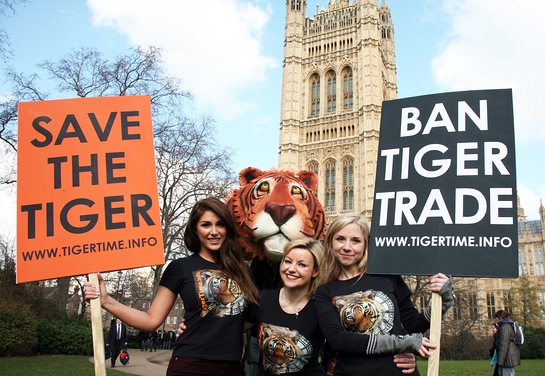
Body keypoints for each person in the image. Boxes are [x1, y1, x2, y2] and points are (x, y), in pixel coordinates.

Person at [84, 197, 260, 376]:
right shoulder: (180, 267)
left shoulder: (242, 271)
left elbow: (246, 319)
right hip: (190, 366)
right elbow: (151, 320)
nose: (214, 232)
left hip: (232, 369)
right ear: (195, 230)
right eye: (206, 225)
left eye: (220, 224)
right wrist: (106, 301)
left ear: (228, 228)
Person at [314, 213, 455, 376]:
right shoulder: (325, 291)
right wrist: (401, 343)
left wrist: (444, 301)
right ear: (330, 242)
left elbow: (413, 324)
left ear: (366, 245)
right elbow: (338, 339)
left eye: (356, 241)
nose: (347, 247)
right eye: (340, 239)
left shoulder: (387, 276)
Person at [494, 310, 521, 376]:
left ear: (500, 317)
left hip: (507, 359)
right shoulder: (507, 325)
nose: (496, 320)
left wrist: (500, 361)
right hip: (507, 358)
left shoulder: (505, 327)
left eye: (496, 318)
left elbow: (504, 345)